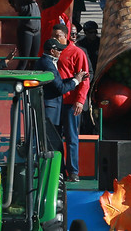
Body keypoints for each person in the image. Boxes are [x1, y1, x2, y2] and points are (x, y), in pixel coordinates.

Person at [53, 23, 90, 182]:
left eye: (58, 36)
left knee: (71, 137)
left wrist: (80, 100)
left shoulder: (77, 52)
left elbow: (85, 80)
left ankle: (73, 172)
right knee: (54, 137)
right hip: (54, 102)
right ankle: (58, 171)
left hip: (70, 101)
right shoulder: (51, 52)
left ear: (66, 36)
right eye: (53, 36)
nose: (55, 39)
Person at [35, 38, 87, 128]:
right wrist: (76, 80)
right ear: (52, 51)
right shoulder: (48, 65)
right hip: (49, 108)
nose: (61, 52)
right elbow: (60, 88)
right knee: (50, 137)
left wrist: (75, 78)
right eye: (59, 50)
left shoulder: (46, 62)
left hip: (51, 107)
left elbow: (57, 82)